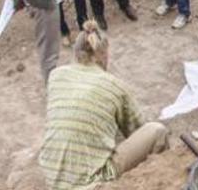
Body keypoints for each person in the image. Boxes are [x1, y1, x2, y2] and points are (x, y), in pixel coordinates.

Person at [39, 20, 169, 189]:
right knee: (157, 131)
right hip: (89, 183)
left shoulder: (56, 76)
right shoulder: (113, 85)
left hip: (51, 177)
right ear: (102, 54)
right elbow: (137, 129)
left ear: (76, 53)